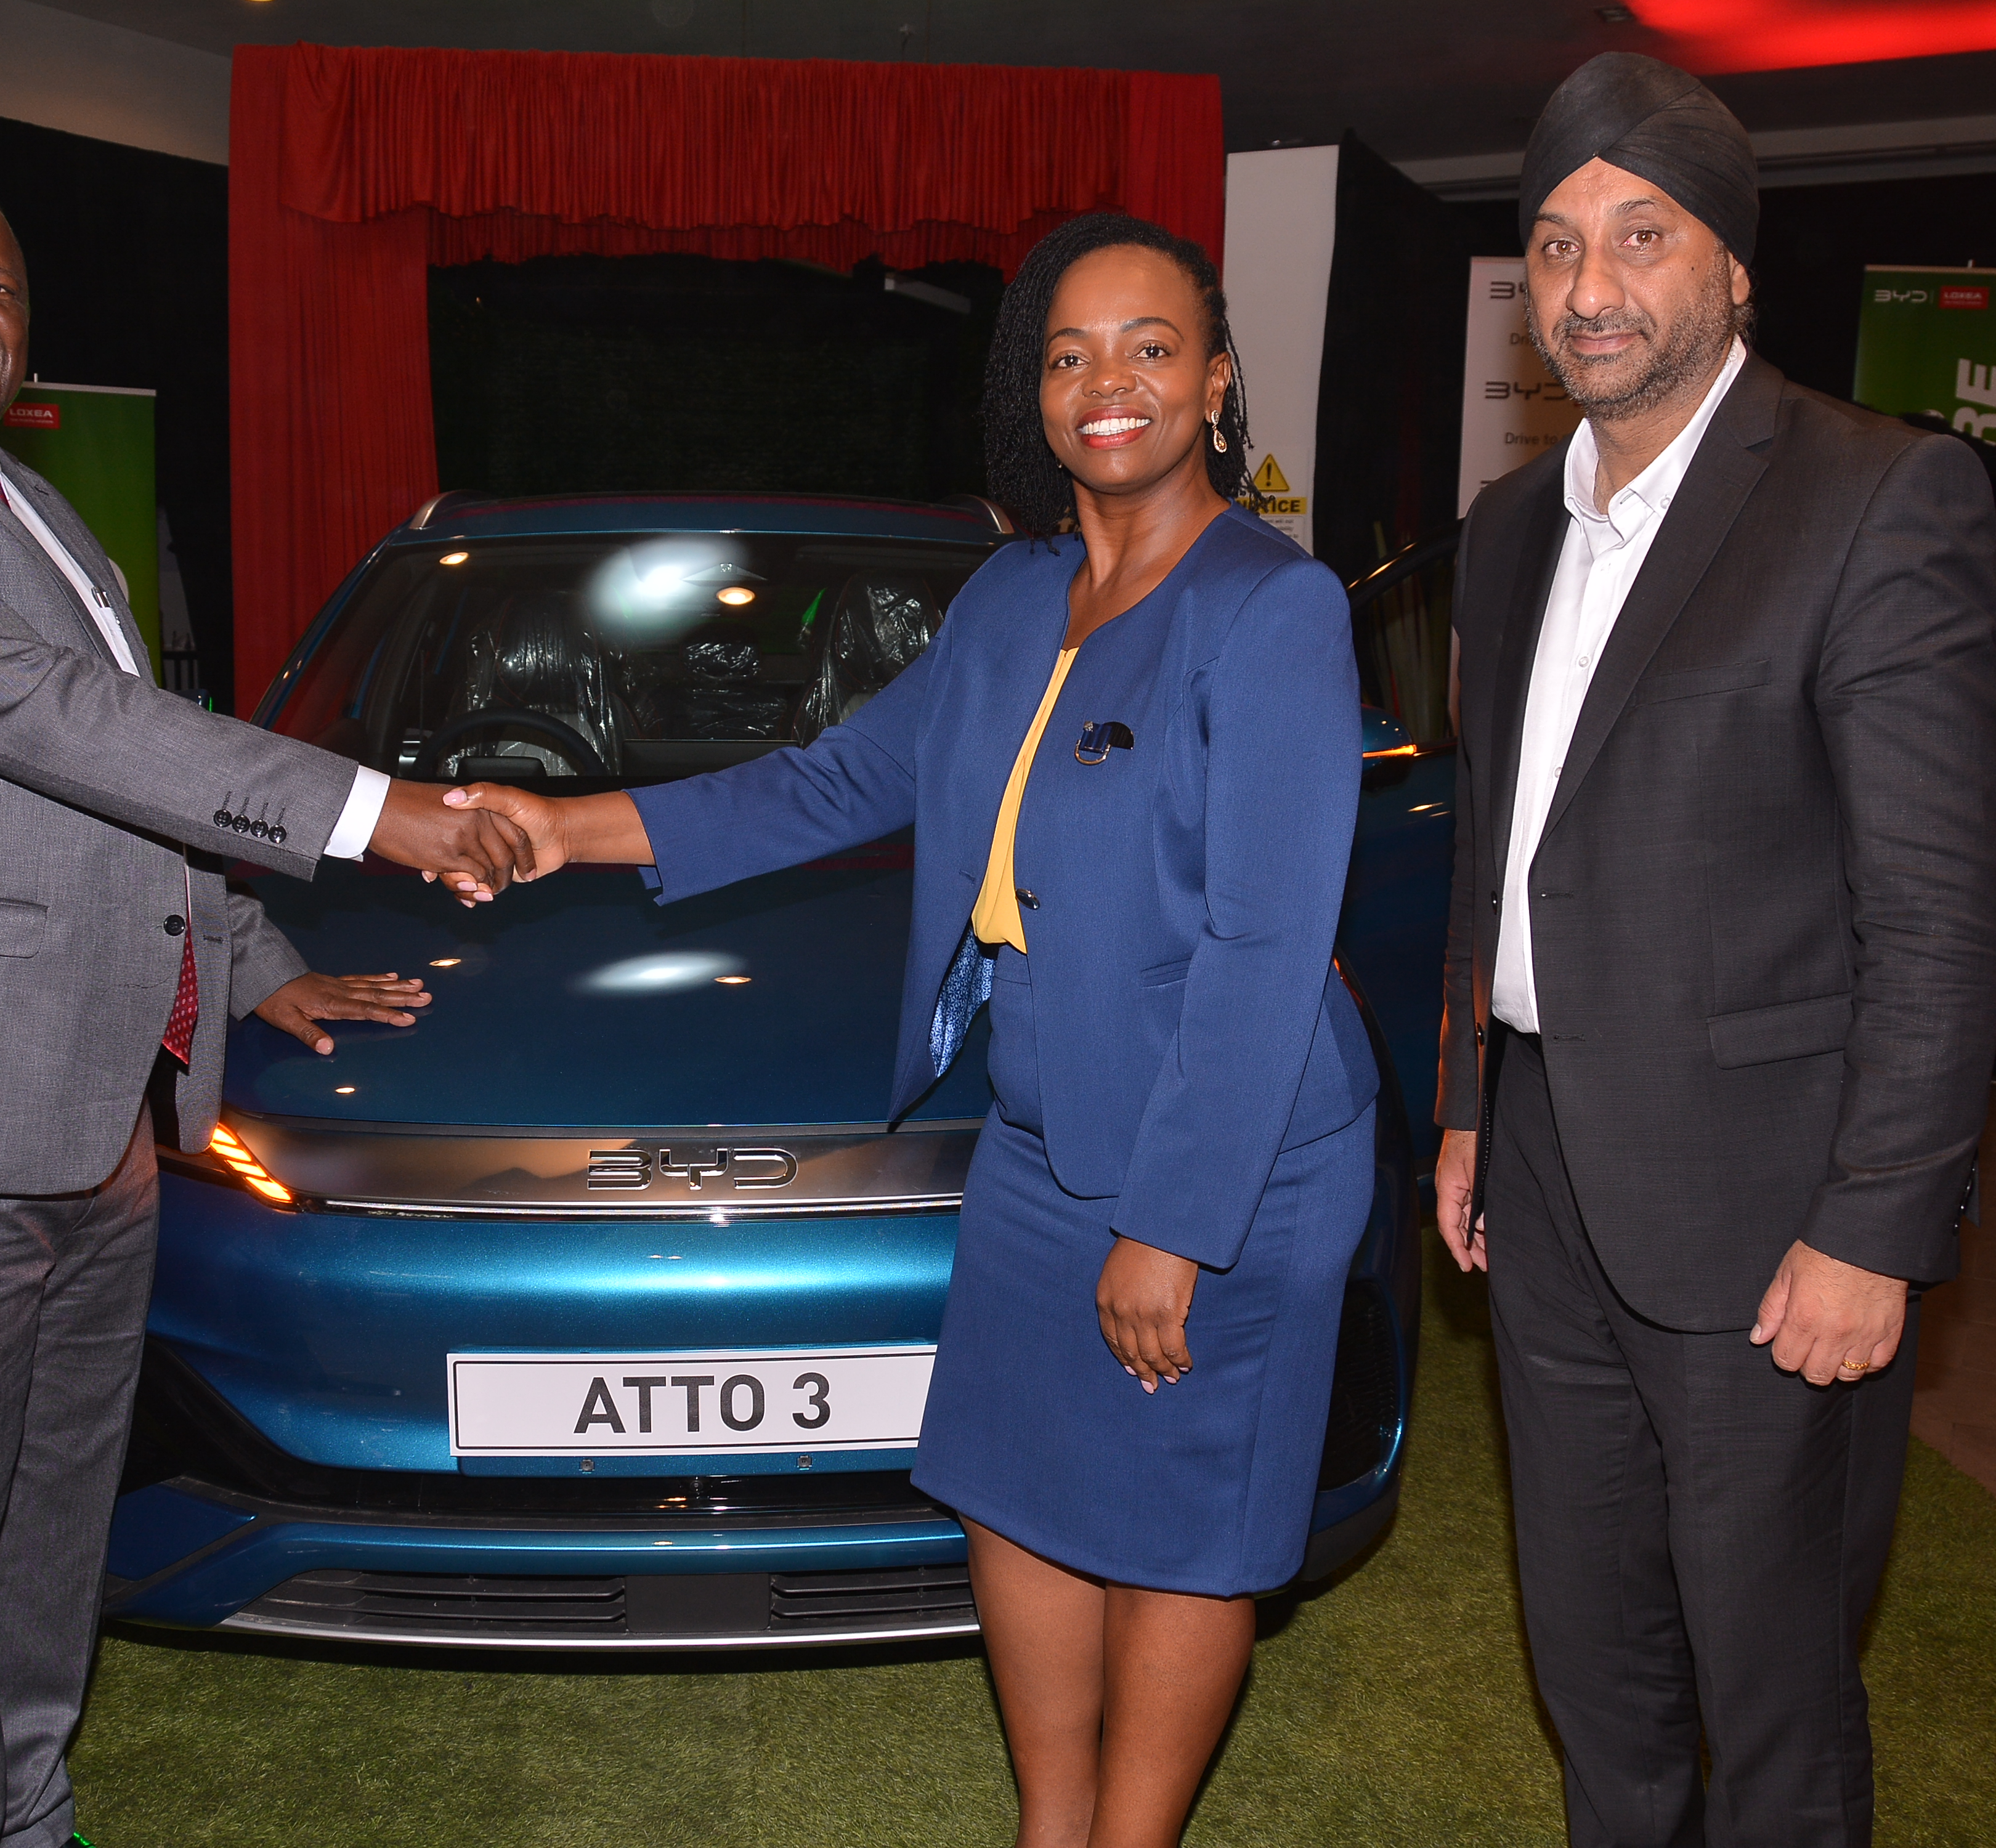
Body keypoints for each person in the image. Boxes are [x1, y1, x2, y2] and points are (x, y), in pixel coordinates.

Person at [453, 213, 1379, 1848]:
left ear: (1218, 377)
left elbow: (1263, 944)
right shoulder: (1016, 599)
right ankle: (1051, 1825)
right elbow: (821, 785)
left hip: (1221, 1161)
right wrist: (556, 824)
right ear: (1035, 388)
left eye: (1152, 347)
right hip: (1035, 1141)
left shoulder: (1269, 608)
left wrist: (1174, 1225)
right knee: (1014, 1496)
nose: (1109, 384)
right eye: (1071, 353)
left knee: (1176, 1527)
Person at [0, 169, 527, 1848]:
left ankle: (30, 1821)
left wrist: (267, 972)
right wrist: (383, 810)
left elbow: (127, 785)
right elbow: (37, 712)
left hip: (85, 1125)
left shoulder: (31, 507)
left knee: (44, 1552)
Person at [1431, 54, 1996, 1847]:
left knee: (1766, 1697)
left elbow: (1933, 901)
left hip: (1769, 1218)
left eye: (1640, 236)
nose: (1589, 288)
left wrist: (1871, 1224)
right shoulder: (1508, 527)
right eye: (1551, 245)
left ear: (1731, 268)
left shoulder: (1872, 495)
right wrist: (1467, 1102)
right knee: (1590, 1668)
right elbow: (1497, 845)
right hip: (1539, 1171)